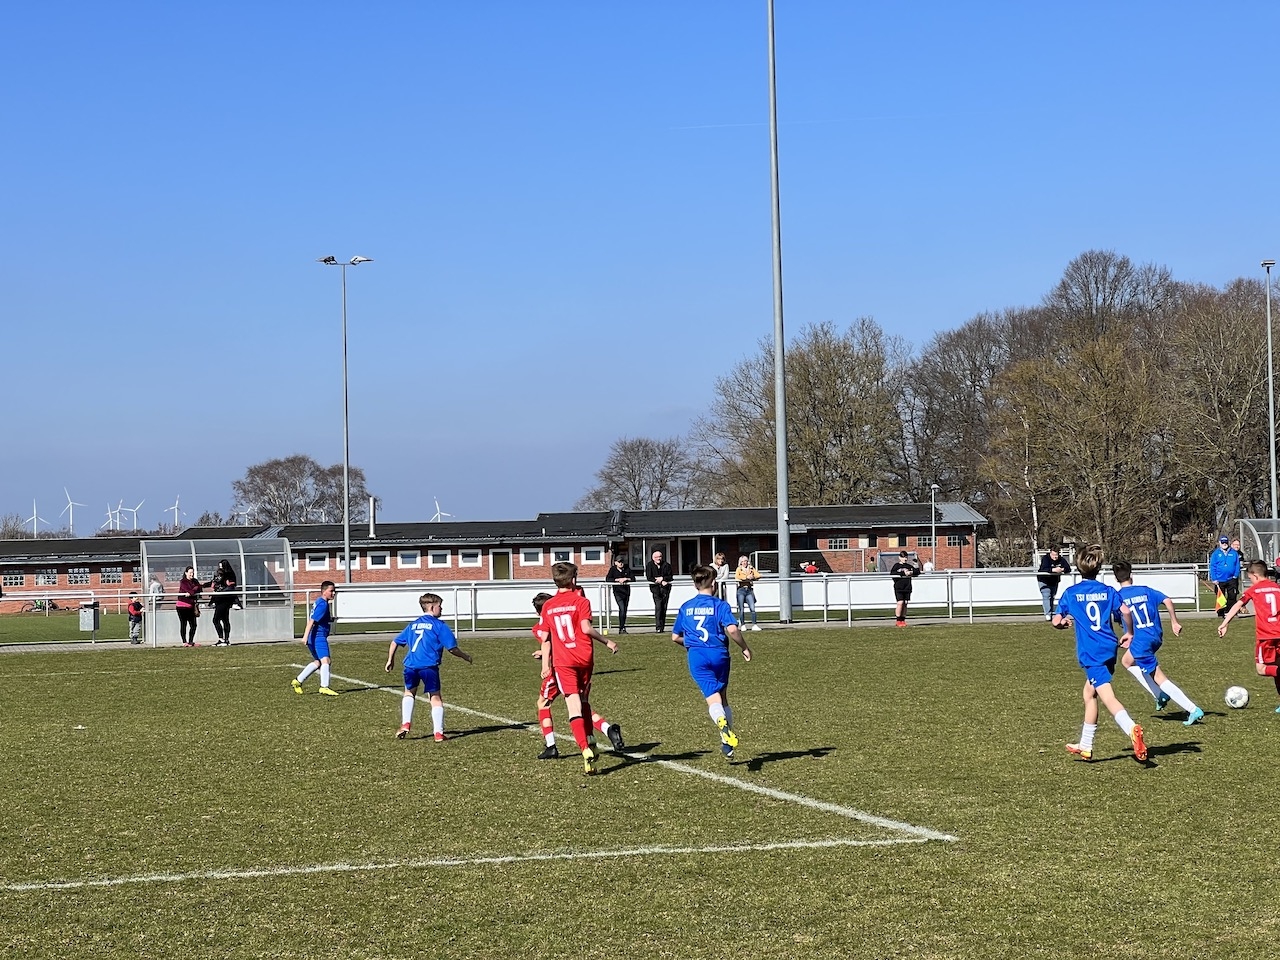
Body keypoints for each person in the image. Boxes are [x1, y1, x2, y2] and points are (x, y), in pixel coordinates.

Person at [1052, 543, 1146, 763]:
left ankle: (1131, 728)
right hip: (1109, 648)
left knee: (1107, 696)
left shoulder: (1071, 593)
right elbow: (1125, 611)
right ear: (1098, 568)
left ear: (1078, 568)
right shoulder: (1108, 591)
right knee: (1089, 693)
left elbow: (1056, 620)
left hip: (1091, 653)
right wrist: (1129, 632)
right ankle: (1085, 745)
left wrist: (1062, 623)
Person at [536, 561, 619, 775]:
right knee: (583, 701)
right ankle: (591, 739)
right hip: (585, 657)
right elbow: (586, 628)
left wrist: (545, 665)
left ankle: (585, 749)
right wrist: (607, 641)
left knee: (573, 707)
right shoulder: (581, 601)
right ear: (574, 579)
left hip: (564, 662)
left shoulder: (548, 606)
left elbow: (544, 638)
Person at [671, 564, 753, 760]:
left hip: (697, 656)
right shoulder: (720, 605)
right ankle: (727, 744)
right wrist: (744, 647)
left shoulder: (686, 607)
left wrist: (691, 643)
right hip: (719, 654)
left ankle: (723, 726)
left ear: (695, 585)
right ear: (714, 583)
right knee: (722, 697)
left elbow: (675, 637)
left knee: (712, 698)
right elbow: (732, 629)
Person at [1112, 560, 1203, 726]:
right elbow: (1167, 600)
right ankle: (1159, 695)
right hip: (1155, 636)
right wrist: (1174, 622)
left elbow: (1120, 617)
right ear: (1131, 575)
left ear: (1116, 579)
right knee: (1127, 661)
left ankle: (1192, 709)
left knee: (1159, 677)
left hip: (1140, 641)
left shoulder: (1118, 597)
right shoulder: (1145, 590)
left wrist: (1127, 633)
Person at [385, 592, 473, 741]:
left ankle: (406, 723)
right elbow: (452, 648)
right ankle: (438, 733)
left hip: (410, 666)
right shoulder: (439, 625)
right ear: (432, 607)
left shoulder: (413, 625)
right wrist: (466, 656)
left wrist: (390, 660)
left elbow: (395, 642)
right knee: (435, 698)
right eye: (440, 606)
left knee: (409, 692)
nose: (441, 608)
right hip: (428, 666)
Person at [1218, 560, 1280, 710]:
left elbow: (1238, 605)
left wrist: (1224, 623)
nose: (1250, 580)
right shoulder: (1277, 588)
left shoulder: (1255, 589)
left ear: (1255, 575)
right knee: (1276, 667)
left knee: (1261, 669)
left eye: (1250, 578)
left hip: (1266, 636)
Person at [292, 581, 339, 696]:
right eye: (331, 591)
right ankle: (324, 687)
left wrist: (330, 619)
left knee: (318, 662)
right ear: (324, 591)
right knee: (326, 661)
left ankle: (297, 681)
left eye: (334, 591)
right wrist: (304, 636)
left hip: (313, 637)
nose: (333, 593)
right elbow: (311, 621)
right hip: (318, 637)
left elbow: (319, 618)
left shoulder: (319, 601)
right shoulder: (323, 605)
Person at [204, 559, 239, 647]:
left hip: (225, 599)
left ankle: (223, 639)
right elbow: (213, 582)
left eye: (221, 566)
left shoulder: (229, 574)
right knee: (224, 619)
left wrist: (221, 591)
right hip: (218, 599)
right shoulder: (218, 574)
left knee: (216, 619)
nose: (220, 568)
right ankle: (224, 640)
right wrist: (203, 585)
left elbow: (231, 586)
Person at [1209, 534, 1242, 618]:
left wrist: (1235, 575)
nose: (1224, 544)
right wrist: (1214, 578)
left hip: (1231, 579)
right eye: (1223, 542)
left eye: (1226, 542)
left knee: (1232, 596)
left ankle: (1230, 612)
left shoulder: (1234, 553)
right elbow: (1212, 566)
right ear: (1220, 543)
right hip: (1219, 579)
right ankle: (1221, 613)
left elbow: (1237, 565)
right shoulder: (1216, 554)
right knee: (1221, 597)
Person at [1036, 547, 1072, 622]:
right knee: (1046, 595)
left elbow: (1068, 568)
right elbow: (1043, 569)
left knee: (1052, 596)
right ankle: (1048, 614)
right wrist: (1053, 570)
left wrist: (1062, 569)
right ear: (1050, 553)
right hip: (1044, 580)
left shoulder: (1061, 559)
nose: (1055, 557)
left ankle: (1051, 613)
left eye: (1056, 555)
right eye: (1053, 555)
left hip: (1054, 581)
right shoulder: (1045, 558)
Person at [645, 549, 674, 633]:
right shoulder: (649, 565)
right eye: (657, 557)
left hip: (665, 589)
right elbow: (649, 577)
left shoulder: (666, 565)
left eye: (660, 556)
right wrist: (659, 581)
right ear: (653, 558)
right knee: (658, 607)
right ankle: (658, 627)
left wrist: (663, 578)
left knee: (664, 608)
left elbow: (670, 577)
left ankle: (662, 627)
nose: (659, 558)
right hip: (655, 589)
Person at [605, 554, 634, 634]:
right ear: (615, 563)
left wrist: (626, 579)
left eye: (622, 562)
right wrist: (617, 580)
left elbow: (633, 578)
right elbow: (608, 579)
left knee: (624, 610)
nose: (621, 563)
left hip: (626, 592)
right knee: (622, 608)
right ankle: (621, 628)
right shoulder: (613, 569)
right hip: (618, 592)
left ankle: (622, 627)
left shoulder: (627, 568)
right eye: (619, 562)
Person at [890, 550, 919, 627]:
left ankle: (903, 619)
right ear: (899, 557)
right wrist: (903, 573)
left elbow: (917, 572)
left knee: (905, 603)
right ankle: (898, 620)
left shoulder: (909, 566)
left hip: (907, 587)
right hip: (899, 587)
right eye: (903, 557)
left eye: (906, 557)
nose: (905, 559)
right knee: (900, 602)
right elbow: (892, 574)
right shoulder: (896, 566)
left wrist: (912, 570)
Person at [175, 566, 203, 646]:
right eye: (190, 573)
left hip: (191, 606)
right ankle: (184, 642)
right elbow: (188, 590)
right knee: (183, 624)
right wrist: (193, 590)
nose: (192, 574)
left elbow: (199, 588)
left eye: (193, 572)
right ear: (186, 573)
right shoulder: (183, 581)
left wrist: (193, 590)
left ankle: (191, 641)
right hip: (182, 606)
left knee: (193, 625)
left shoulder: (195, 581)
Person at [734, 555, 761, 631]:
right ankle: (743, 625)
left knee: (752, 608)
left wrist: (753, 577)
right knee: (741, 608)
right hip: (741, 590)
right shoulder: (739, 569)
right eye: (742, 561)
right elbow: (737, 577)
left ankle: (754, 624)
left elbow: (758, 575)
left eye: (745, 561)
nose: (744, 563)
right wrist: (746, 578)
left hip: (749, 590)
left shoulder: (751, 568)